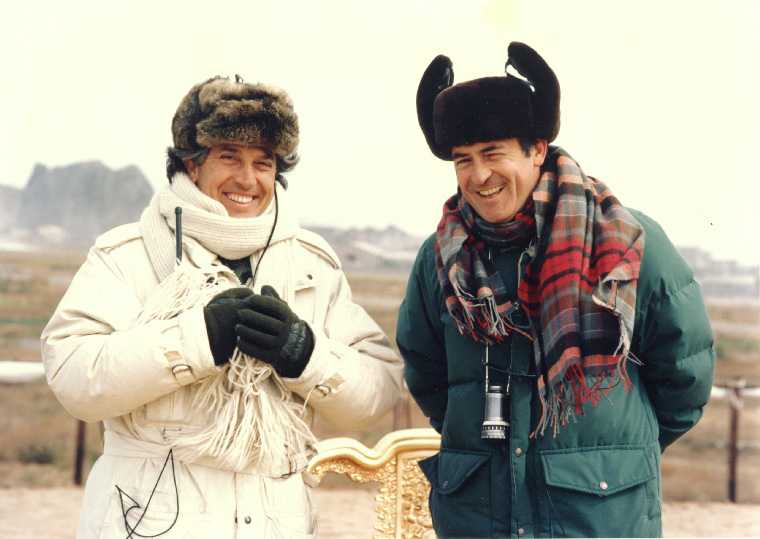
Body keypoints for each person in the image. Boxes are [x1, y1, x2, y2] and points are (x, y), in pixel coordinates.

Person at [41, 75, 403, 538]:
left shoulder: (314, 264)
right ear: (192, 165)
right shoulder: (125, 255)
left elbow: (378, 391)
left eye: (263, 162)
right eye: (229, 157)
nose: (247, 180)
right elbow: (73, 376)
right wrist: (196, 340)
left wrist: (304, 352)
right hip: (148, 523)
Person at [397, 42, 715, 538]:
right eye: (463, 160)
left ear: (538, 149)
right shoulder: (438, 259)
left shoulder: (629, 242)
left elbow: (686, 376)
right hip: (479, 519)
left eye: (493, 154)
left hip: (600, 518)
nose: (479, 176)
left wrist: (613, 451)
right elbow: (428, 375)